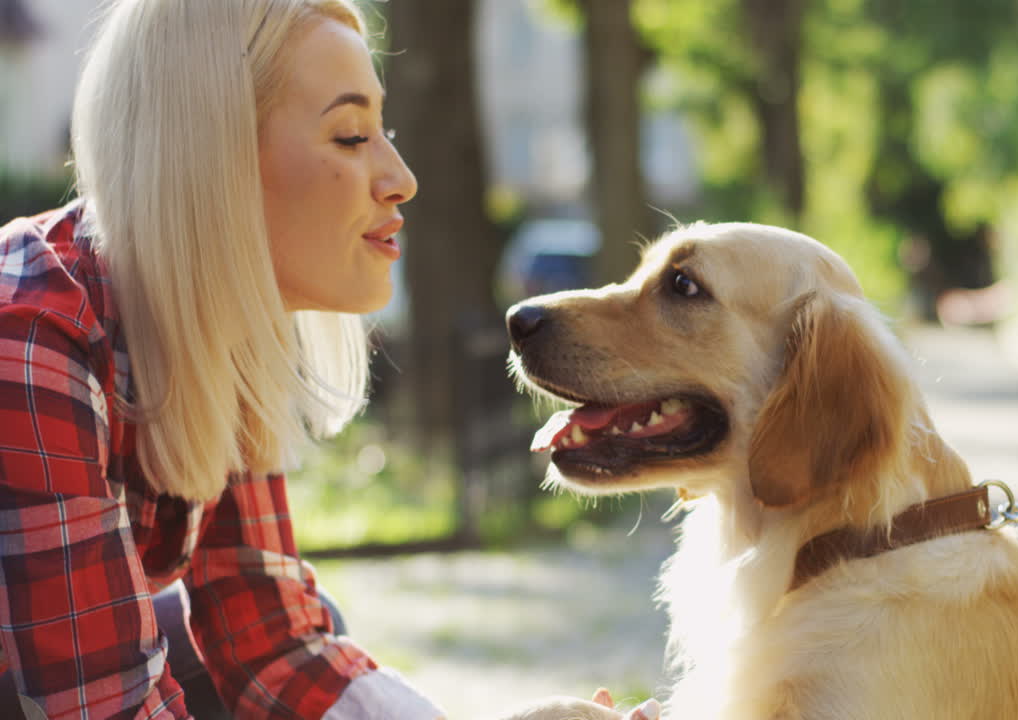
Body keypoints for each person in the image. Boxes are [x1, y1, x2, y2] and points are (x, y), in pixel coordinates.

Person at [0, 1, 654, 718]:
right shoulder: (31, 338)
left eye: (383, 132)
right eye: (350, 136)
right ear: (211, 160)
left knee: (311, 637)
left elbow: (274, 639)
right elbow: (106, 707)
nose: (400, 177)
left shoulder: (219, 322)